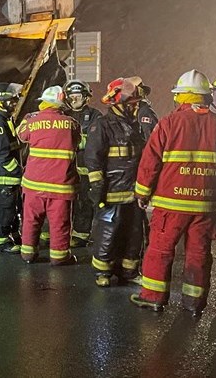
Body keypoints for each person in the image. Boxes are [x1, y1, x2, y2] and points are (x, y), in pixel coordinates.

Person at [131, 69, 216, 315]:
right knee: (199, 254)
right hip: (206, 206)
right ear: (206, 97)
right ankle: (194, 304)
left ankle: (153, 297)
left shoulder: (169, 124)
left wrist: (142, 193)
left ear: (182, 97)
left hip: (171, 205)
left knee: (160, 250)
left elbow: (150, 163)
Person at [85, 76, 148, 286]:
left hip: (134, 190)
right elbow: (93, 160)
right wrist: (97, 188)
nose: (137, 107)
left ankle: (129, 272)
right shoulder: (102, 125)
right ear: (120, 103)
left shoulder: (137, 125)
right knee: (108, 232)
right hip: (112, 191)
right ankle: (102, 272)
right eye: (133, 103)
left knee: (135, 233)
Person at [18, 85, 81, 266]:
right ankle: (59, 257)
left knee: (31, 220)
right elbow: (78, 142)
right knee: (60, 223)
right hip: (61, 185)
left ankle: (28, 254)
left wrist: (27, 118)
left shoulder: (32, 121)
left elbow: (20, 135)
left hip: (34, 185)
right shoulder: (72, 124)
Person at [0, 82, 23, 253]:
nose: (15, 103)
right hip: (5, 174)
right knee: (5, 208)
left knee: (11, 207)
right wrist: (17, 170)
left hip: (8, 174)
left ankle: (12, 234)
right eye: (12, 100)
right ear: (2, 101)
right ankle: (0, 241)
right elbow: (2, 153)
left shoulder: (5, 117)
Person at [64, 80, 101, 247]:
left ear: (86, 97)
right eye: (71, 96)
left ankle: (81, 233)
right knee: (62, 201)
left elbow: (95, 141)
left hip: (85, 168)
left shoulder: (95, 115)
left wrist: (71, 142)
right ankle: (59, 231)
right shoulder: (62, 114)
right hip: (64, 167)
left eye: (77, 95)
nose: (74, 99)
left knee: (84, 201)